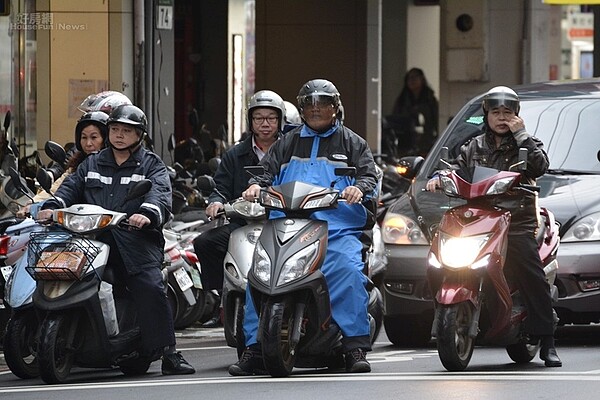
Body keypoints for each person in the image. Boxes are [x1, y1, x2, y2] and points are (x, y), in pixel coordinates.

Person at [228, 79, 378, 376]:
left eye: (322, 104)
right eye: (309, 105)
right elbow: (265, 173)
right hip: (286, 223)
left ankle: (353, 346)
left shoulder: (353, 142)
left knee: (346, 270)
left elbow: (369, 177)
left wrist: (359, 189)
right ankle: (254, 349)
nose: (316, 110)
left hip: (336, 228)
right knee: (257, 275)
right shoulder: (288, 141)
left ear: (336, 108)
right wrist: (255, 186)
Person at [37, 104, 195, 375]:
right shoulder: (92, 163)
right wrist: (52, 206)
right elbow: (69, 190)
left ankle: (169, 352)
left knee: (149, 284)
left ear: (140, 135)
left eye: (127, 131)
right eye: (115, 129)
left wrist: (147, 214)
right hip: (91, 238)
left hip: (135, 241)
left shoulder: (151, 164)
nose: (119, 135)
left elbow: (159, 195)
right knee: (58, 270)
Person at [425, 86, 561, 368]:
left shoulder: (526, 143)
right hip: (477, 216)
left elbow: (540, 166)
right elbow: (454, 168)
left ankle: (547, 340)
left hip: (516, 218)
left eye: (508, 113)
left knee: (529, 271)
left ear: (517, 116)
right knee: (437, 256)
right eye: (496, 112)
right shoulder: (472, 146)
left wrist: (521, 134)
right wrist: (439, 177)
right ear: (486, 114)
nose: (502, 118)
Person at [193, 90, 284, 328]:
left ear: (280, 120)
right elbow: (221, 187)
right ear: (250, 121)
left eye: (271, 118)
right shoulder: (235, 154)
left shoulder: (290, 150)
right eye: (259, 118)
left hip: (281, 222)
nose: (265, 124)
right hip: (244, 222)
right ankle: (218, 299)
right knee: (205, 242)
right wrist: (215, 202)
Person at [391, 67, 439, 156]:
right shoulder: (402, 100)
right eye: (409, 78)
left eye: (415, 77)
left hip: (425, 143)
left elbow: (436, 120)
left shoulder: (430, 100)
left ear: (422, 79)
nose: (412, 81)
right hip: (405, 142)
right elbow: (396, 119)